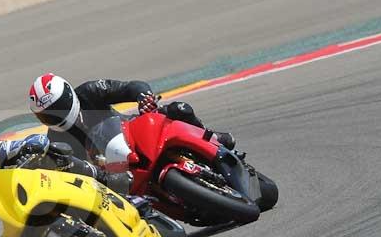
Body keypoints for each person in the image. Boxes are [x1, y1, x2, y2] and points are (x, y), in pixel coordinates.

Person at [27, 74, 236, 191]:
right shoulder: (57, 140)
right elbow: (73, 174)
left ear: (69, 94)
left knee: (179, 109)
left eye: (59, 107)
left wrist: (144, 98)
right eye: (48, 115)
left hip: (135, 132)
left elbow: (132, 87)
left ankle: (214, 139)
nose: (57, 115)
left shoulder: (90, 91)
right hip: (118, 171)